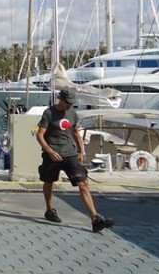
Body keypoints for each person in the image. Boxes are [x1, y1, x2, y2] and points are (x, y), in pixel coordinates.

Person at [35, 86, 114, 233]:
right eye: (68, 103)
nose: (70, 105)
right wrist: (49, 151)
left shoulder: (72, 113)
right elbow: (40, 135)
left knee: (83, 182)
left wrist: (81, 150)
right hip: (52, 154)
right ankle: (49, 210)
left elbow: (76, 132)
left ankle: (95, 218)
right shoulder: (49, 113)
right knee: (49, 181)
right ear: (61, 100)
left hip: (70, 154)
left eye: (72, 103)